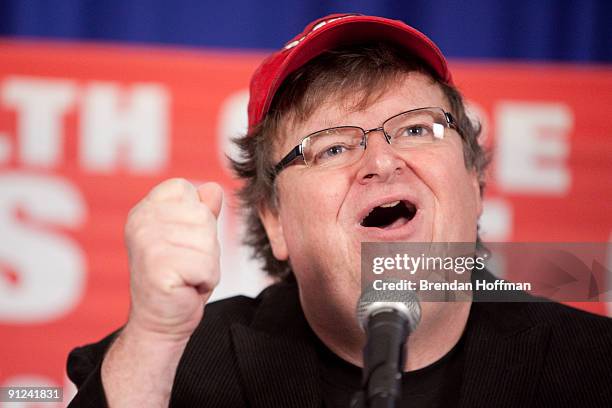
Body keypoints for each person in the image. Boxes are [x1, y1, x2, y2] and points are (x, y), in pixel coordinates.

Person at [67, 13, 612, 407]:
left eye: (417, 129)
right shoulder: (177, 366)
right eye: (331, 147)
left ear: (474, 179)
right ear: (274, 221)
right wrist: (156, 344)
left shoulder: (593, 366)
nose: (381, 160)